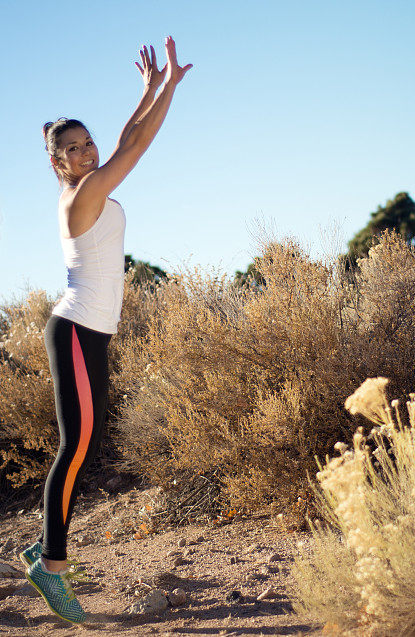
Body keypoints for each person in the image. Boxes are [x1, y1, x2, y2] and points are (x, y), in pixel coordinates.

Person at [21, 36, 192, 625]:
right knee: (76, 449)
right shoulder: (83, 194)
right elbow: (137, 144)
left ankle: (47, 547)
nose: (87, 152)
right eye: (72, 148)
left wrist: (146, 91)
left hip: (91, 333)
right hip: (73, 330)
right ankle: (51, 563)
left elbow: (123, 140)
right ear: (57, 162)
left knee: (84, 446)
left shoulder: (91, 179)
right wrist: (169, 87)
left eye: (87, 141)